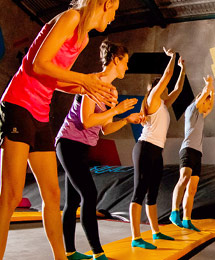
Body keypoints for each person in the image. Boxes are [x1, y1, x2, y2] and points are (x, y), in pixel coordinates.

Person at [0, 0, 119, 258]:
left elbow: (55, 79)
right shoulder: (71, 18)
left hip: (41, 114)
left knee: (53, 196)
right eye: (115, 10)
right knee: (10, 195)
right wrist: (83, 79)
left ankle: (61, 257)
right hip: (19, 104)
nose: (113, 17)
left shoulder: (84, 39)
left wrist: (89, 88)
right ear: (105, 4)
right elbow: (37, 64)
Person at [56, 40, 142, 260]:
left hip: (83, 147)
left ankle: (69, 252)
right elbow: (86, 120)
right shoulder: (92, 82)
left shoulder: (111, 92)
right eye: (126, 62)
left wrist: (125, 119)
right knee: (89, 194)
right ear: (116, 59)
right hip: (68, 143)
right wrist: (119, 109)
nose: (127, 67)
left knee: (74, 201)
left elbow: (104, 127)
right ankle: (97, 253)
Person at [130, 48, 185, 249]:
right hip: (144, 149)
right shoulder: (153, 98)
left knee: (152, 193)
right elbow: (167, 75)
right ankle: (136, 238)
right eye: (162, 85)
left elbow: (177, 89)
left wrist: (183, 68)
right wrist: (172, 58)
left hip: (156, 152)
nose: (166, 87)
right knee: (139, 192)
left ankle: (155, 232)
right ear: (156, 87)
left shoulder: (162, 103)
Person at [169, 75, 215, 232]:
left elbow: (211, 105)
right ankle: (174, 212)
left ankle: (187, 219)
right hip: (187, 149)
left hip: (197, 153)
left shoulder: (201, 116)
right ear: (200, 100)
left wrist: (212, 91)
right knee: (184, 178)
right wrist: (208, 86)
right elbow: (203, 96)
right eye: (206, 102)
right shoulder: (192, 109)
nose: (208, 106)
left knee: (193, 187)